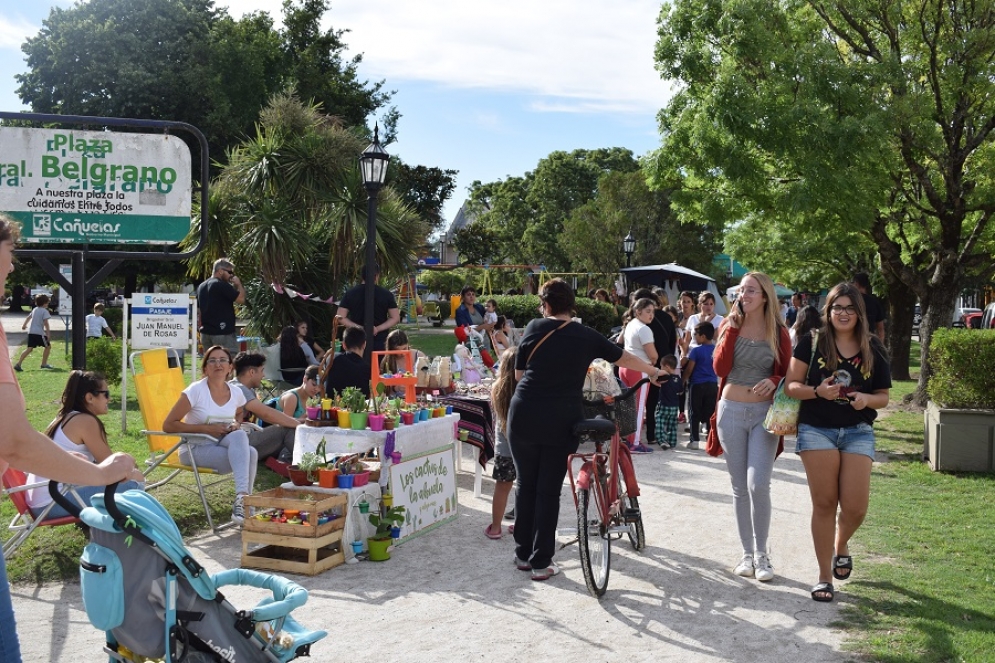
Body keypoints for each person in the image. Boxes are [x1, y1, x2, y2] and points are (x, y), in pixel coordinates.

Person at [1, 214, 143, 663]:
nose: (10, 269)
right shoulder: (83, 423)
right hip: (50, 494)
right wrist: (104, 472)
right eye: (7, 257)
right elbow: (13, 442)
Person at [508, 278, 662, 581]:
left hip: (524, 411)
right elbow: (625, 357)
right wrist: (655, 371)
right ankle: (541, 561)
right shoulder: (585, 334)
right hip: (561, 417)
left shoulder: (534, 328)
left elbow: (518, 373)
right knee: (548, 489)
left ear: (547, 304)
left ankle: (523, 554)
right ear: (572, 304)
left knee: (526, 484)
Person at [784, 283, 891, 603]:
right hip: (817, 429)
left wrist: (865, 399)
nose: (843, 314)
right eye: (836, 308)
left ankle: (841, 544)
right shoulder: (811, 343)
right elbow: (791, 386)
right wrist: (818, 391)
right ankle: (823, 577)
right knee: (825, 503)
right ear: (827, 312)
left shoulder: (873, 347)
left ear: (860, 313)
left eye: (849, 308)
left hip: (858, 429)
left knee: (856, 508)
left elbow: (884, 397)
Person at [712, 271, 792, 583]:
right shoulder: (729, 323)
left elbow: (788, 375)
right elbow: (719, 368)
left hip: (764, 415)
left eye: (751, 291)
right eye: (741, 291)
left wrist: (773, 380)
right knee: (738, 487)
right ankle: (746, 554)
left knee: (758, 483)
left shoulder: (779, 331)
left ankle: (762, 555)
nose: (743, 296)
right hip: (730, 411)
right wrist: (731, 329)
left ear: (765, 296)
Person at [26, 371, 145, 518]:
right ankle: (123, 531)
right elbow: (113, 467)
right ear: (89, 397)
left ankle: (97, 524)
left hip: (42, 499)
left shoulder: (64, 417)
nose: (110, 399)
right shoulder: (85, 422)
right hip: (53, 503)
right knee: (135, 480)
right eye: (106, 394)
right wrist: (132, 466)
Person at [162, 346, 257, 525]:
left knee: (245, 444)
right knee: (249, 454)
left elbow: (239, 412)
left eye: (223, 360)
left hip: (223, 445)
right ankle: (246, 504)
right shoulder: (196, 391)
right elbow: (168, 424)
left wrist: (236, 423)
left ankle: (243, 501)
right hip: (194, 448)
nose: (217, 364)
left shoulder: (236, 392)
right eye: (212, 360)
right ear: (205, 368)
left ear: (230, 368)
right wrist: (206, 429)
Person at [230, 352, 301, 463]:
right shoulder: (239, 388)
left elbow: (265, 416)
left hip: (242, 439)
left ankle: (290, 462)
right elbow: (266, 413)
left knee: (288, 427)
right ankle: (309, 467)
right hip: (238, 443)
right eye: (262, 371)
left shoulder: (245, 388)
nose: (263, 375)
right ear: (252, 372)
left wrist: (297, 421)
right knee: (286, 429)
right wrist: (299, 425)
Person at [485, 346, 519, 540]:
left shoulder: (497, 388)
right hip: (524, 447)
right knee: (524, 487)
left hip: (504, 448)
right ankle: (520, 523)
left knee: (502, 487)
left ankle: (496, 526)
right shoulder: (526, 390)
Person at [620, 297, 659, 454]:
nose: (651, 315)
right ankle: (634, 443)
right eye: (648, 311)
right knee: (638, 407)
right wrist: (654, 364)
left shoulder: (630, 324)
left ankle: (626, 439)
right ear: (638, 311)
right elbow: (653, 355)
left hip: (625, 367)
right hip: (640, 369)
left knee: (627, 405)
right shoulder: (644, 329)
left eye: (653, 312)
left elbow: (619, 340)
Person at [336, 263, 400, 352]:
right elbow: (395, 317)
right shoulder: (386, 295)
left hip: (356, 339)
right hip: (379, 340)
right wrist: (377, 329)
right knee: (378, 365)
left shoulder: (350, 294)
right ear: (377, 276)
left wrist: (359, 328)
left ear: (362, 275)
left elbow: (340, 317)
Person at [642, 287, 677, 446]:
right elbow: (672, 342)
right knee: (660, 399)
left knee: (646, 399)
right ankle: (660, 434)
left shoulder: (642, 319)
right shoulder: (667, 318)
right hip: (664, 363)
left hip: (646, 362)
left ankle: (646, 435)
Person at [196, 258, 246, 354]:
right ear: (220, 271)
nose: (231, 275)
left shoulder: (201, 286)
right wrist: (238, 284)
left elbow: (199, 311)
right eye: (230, 272)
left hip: (206, 334)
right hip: (223, 333)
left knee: (211, 364)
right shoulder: (221, 285)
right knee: (229, 362)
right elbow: (241, 299)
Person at [682, 322, 718, 450]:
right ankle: (709, 439)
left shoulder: (696, 351)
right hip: (713, 384)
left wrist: (683, 380)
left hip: (697, 385)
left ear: (702, 336)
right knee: (710, 412)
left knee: (694, 412)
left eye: (695, 335)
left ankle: (694, 441)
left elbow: (689, 369)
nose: (694, 337)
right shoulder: (716, 349)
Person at [324, 327, 370, 398]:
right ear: (364, 345)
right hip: (359, 408)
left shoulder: (332, 359)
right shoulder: (368, 369)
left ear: (344, 345)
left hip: (332, 407)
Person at [14, 293, 53, 371]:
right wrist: (48, 334)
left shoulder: (35, 309)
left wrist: (24, 325)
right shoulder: (44, 311)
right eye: (48, 303)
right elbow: (46, 323)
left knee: (29, 348)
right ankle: (44, 364)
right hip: (39, 333)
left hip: (31, 332)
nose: (48, 304)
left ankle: (18, 364)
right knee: (48, 347)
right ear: (45, 303)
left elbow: (28, 317)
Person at [653, 354, 682, 449]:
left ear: (667, 367)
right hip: (674, 407)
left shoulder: (665, 378)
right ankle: (672, 441)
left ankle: (662, 441)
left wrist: (652, 377)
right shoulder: (678, 379)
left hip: (664, 405)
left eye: (661, 367)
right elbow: (680, 391)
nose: (661, 368)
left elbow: (655, 381)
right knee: (672, 425)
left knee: (660, 423)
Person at [852, 273, 886, 341]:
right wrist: (879, 348)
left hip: (851, 341)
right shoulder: (874, 302)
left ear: (856, 283)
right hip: (868, 342)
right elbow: (880, 329)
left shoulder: (849, 301)